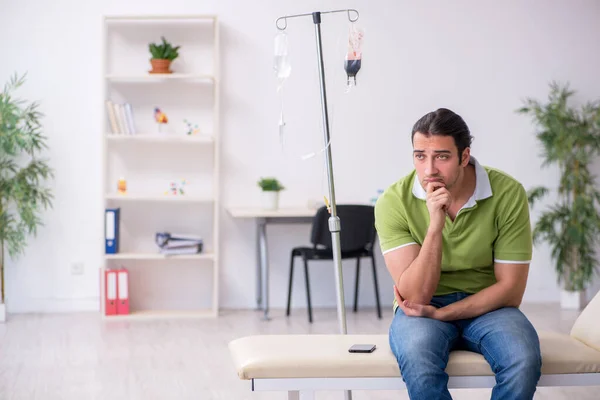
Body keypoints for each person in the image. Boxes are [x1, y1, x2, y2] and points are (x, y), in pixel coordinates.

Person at [374, 108, 542, 400]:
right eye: (420, 156)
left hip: (492, 305)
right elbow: (414, 297)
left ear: (464, 156)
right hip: (421, 310)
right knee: (419, 361)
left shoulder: (507, 193)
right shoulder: (393, 202)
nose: (429, 170)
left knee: (523, 361)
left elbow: (511, 290)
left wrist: (443, 314)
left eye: (442, 156)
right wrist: (435, 226)